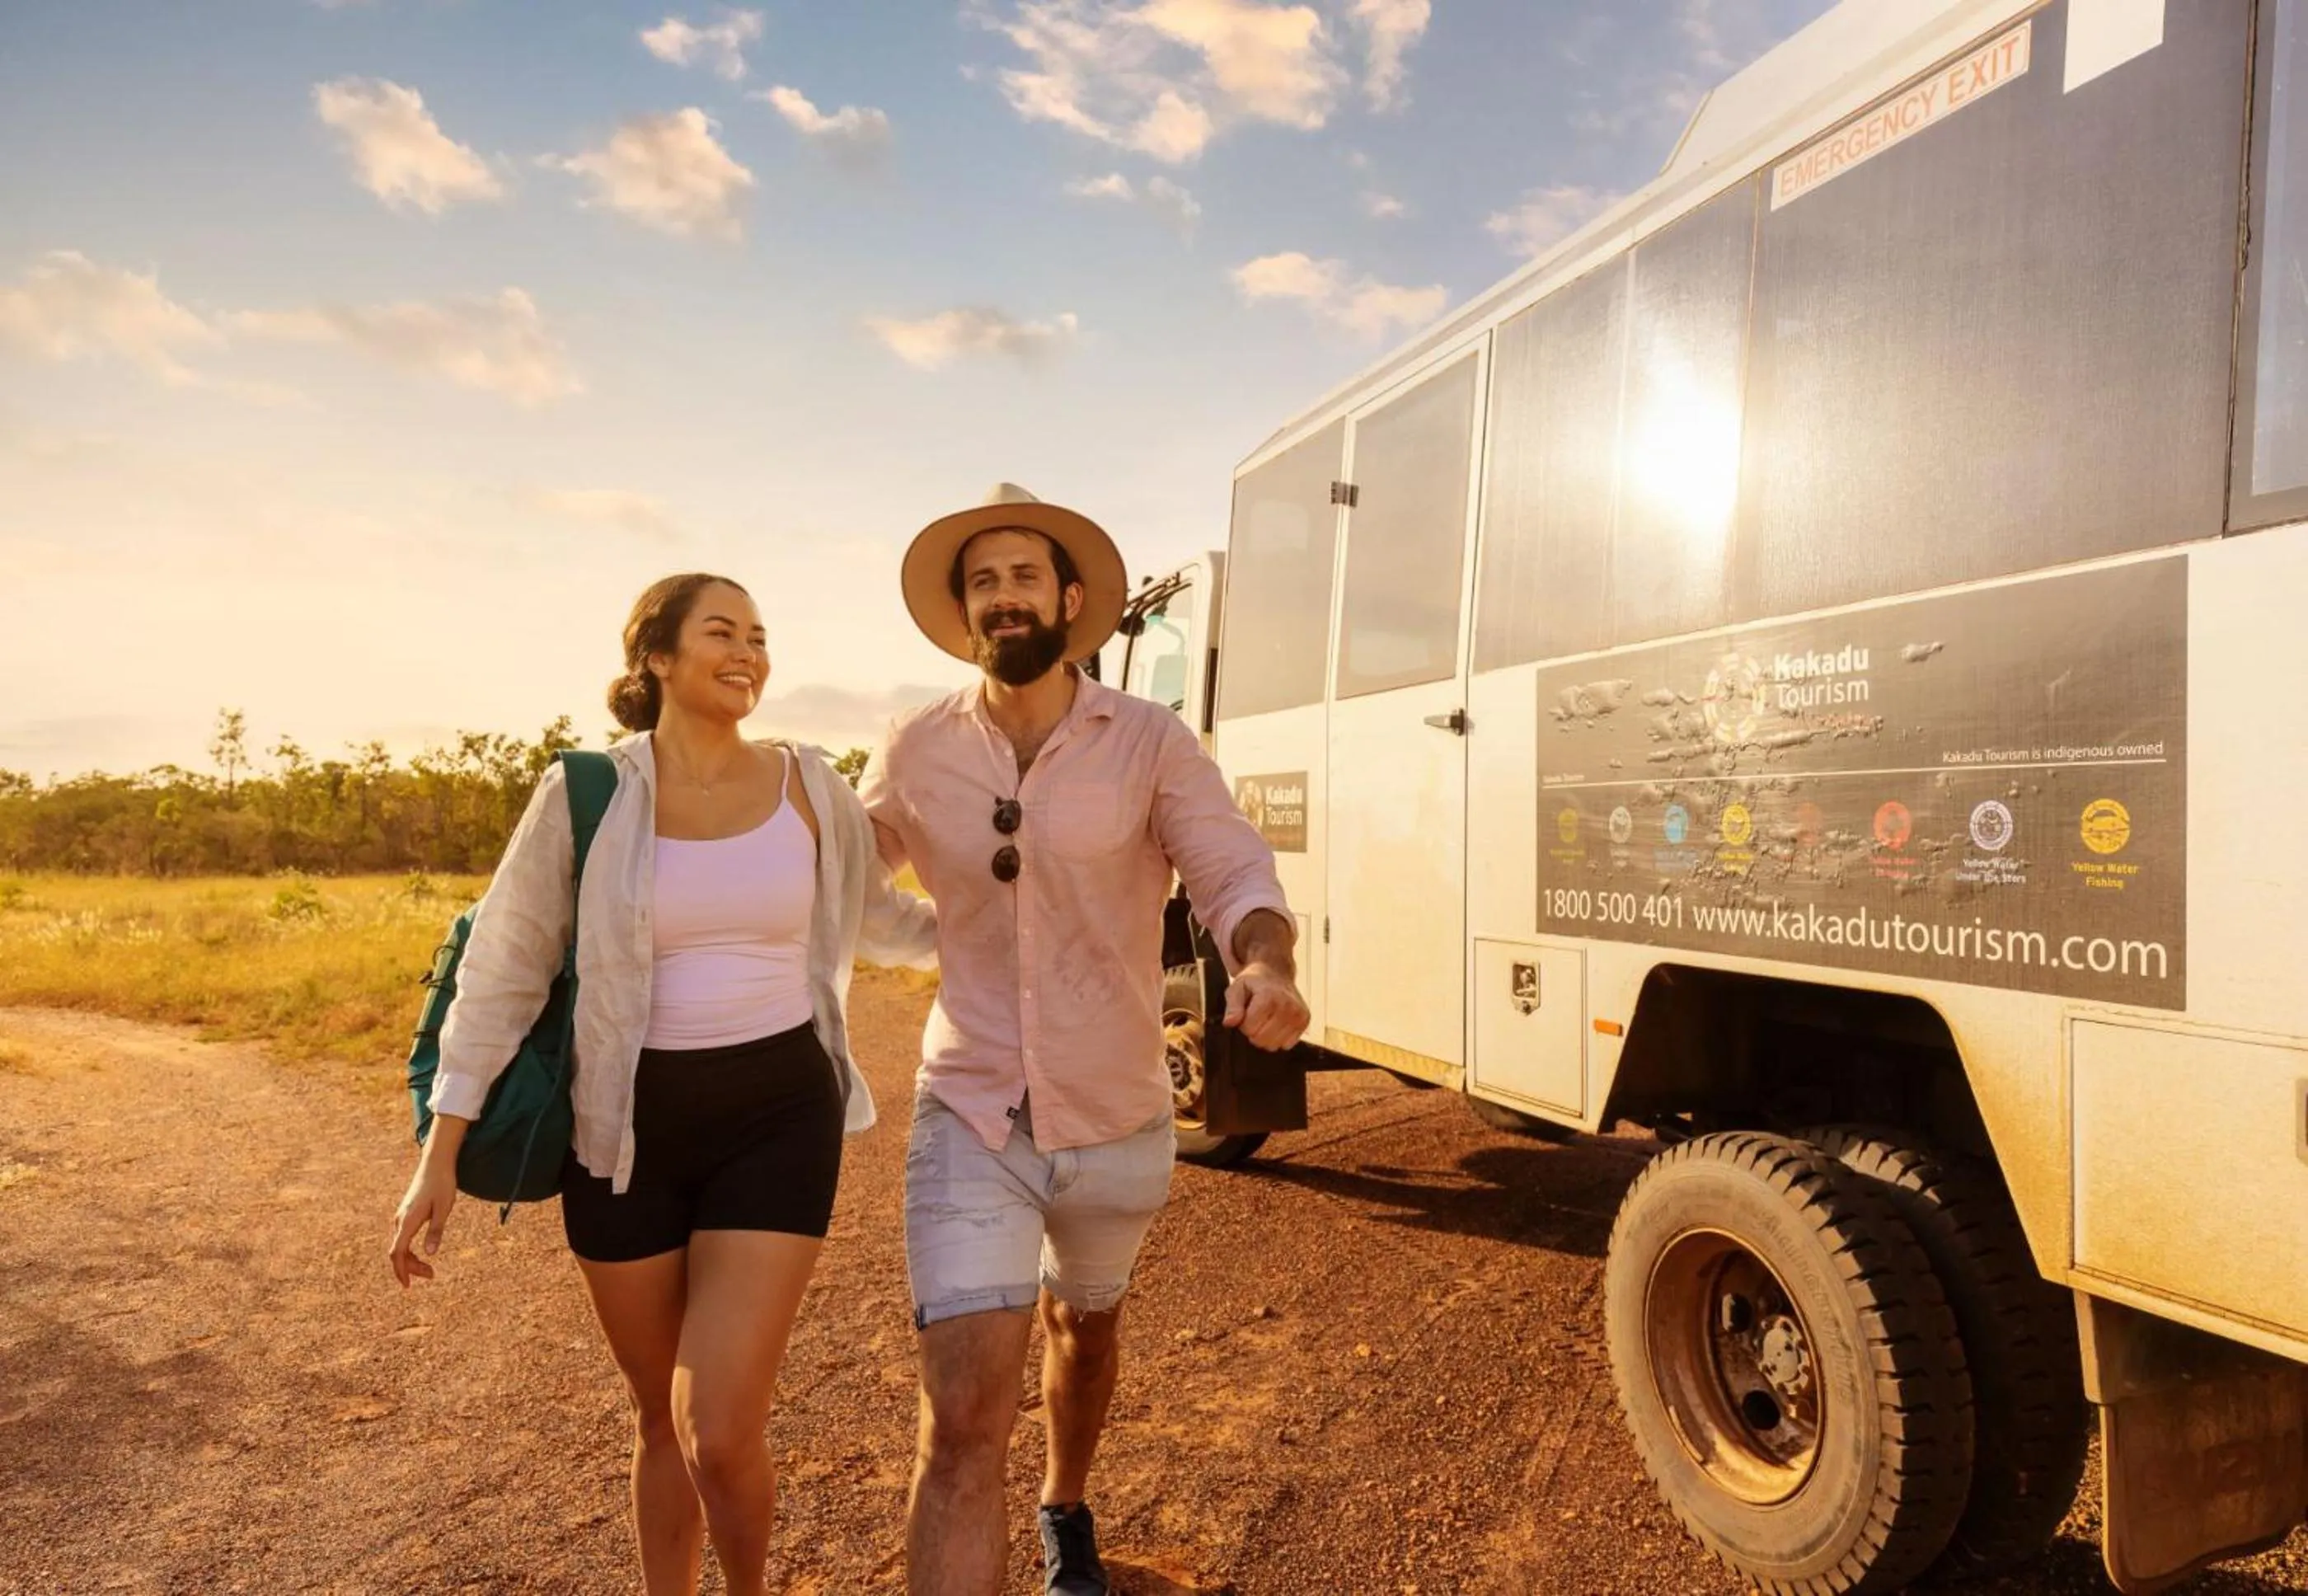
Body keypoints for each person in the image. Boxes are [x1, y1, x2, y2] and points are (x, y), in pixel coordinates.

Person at [387, 573, 936, 1596]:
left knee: (717, 1426)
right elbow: (502, 968)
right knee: (657, 1418)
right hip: (621, 1130)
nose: (748, 652)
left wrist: (1023, 924)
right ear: (656, 658)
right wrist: (439, 1155)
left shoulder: (810, 785)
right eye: (720, 631)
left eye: (760, 635)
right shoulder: (589, 791)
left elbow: (883, 919)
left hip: (778, 1114)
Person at [860, 484, 1311, 1596]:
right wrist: (938, 939)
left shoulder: (1150, 741)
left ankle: (1067, 1500)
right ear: (965, 612)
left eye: (1023, 577)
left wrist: (1265, 963)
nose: (1004, 597)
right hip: (970, 1111)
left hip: (1118, 1115)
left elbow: (1230, 869)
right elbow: (840, 879)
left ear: (1070, 602)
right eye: (983, 582)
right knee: (961, 1419)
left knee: (1086, 1330)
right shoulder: (917, 748)